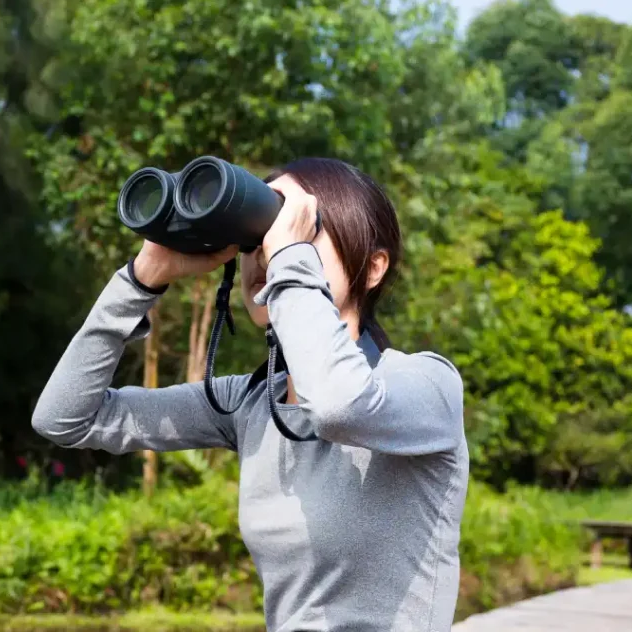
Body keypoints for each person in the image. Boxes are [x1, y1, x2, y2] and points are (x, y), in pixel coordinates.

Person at [32, 158, 468, 632]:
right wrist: (140, 279)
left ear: (373, 268)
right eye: (258, 238)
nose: (267, 254)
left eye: (298, 230)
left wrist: (289, 258)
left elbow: (340, 405)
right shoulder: (250, 403)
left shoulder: (427, 385)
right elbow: (65, 419)